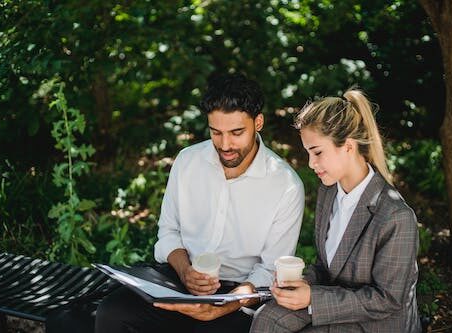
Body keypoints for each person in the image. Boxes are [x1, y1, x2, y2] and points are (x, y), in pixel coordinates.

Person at [95, 73, 305, 333]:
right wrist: (185, 272)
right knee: (112, 313)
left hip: (239, 294)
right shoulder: (187, 161)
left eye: (236, 132)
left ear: (258, 122)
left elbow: (270, 270)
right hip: (181, 279)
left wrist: (221, 307)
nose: (225, 145)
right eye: (216, 132)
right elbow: (169, 233)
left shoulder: (286, 185)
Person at [250, 89, 421, 332]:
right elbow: (326, 268)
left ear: (349, 147)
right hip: (336, 304)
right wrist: (298, 284)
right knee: (267, 317)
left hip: (375, 322)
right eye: (308, 153)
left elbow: (388, 300)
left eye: (317, 152)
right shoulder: (329, 193)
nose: (311, 164)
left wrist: (312, 299)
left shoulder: (395, 216)